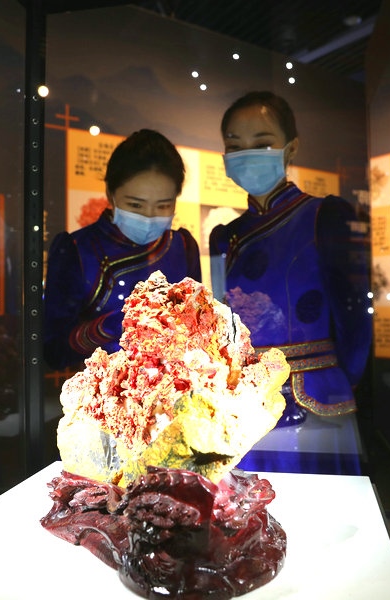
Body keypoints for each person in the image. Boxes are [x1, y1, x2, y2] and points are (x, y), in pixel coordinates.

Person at [209, 91, 373, 427]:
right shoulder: (223, 237)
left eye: (262, 143)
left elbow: (354, 317)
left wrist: (345, 382)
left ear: (292, 148)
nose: (248, 155)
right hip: (244, 403)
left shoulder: (326, 216)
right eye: (235, 146)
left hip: (317, 396)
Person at [43, 129, 201, 370]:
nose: (149, 216)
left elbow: (197, 330)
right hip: (99, 386)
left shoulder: (183, 247)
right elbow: (54, 350)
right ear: (111, 193)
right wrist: (105, 328)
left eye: (163, 206)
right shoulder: (77, 250)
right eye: (135, 205)